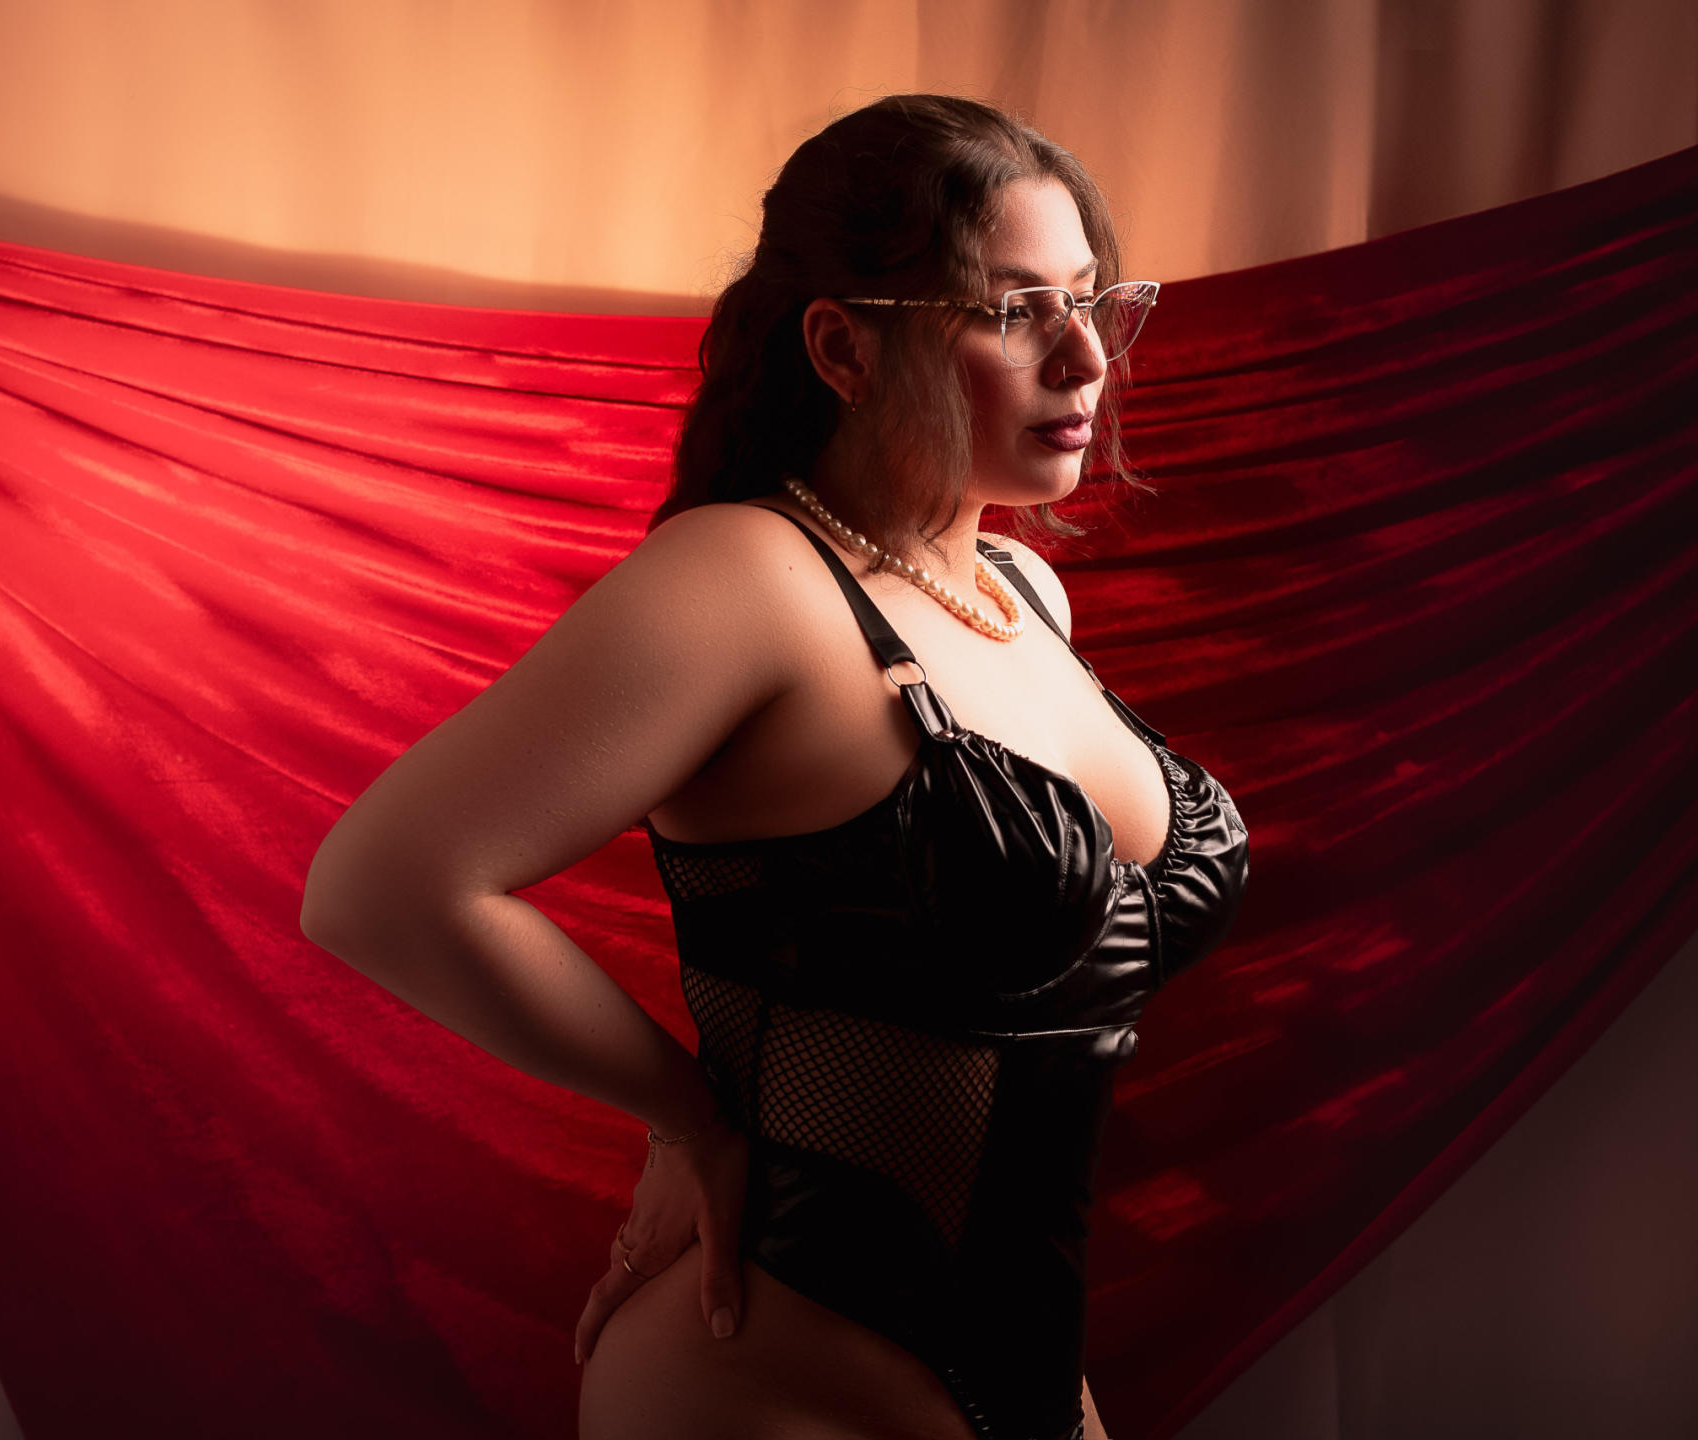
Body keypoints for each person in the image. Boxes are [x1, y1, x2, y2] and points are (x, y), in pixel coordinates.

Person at [301, 93, 1247, 1440]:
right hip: (770, 1376)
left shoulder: (1025, 594)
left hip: (1034, 1382)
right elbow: (381, 887)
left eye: (1094, 300)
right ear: (842, 348)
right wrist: (686, 1117)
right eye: (1017, 310)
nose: (1086, 357)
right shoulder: (751, 577)